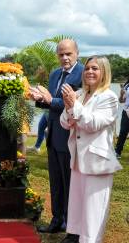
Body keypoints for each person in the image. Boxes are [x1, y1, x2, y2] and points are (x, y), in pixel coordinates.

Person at [59, 56, 122, 243]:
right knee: (79, 210)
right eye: (87, 68)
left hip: (97, 163)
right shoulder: (78, 94)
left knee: (94, 214)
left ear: (104, 72)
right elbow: (64, 121)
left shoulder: (109, 97)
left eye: (95, 68)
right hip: (78, 160)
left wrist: (73, 105)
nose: (90, 72)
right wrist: (71, 107)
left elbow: (93, 123)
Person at [29, 39, 84, 234]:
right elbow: (51, 105)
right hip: (52, 135)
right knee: (56, 182)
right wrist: (40, 99)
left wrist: (51, 99)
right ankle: (56, 219)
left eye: (68, 53)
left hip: (70, 136)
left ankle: (71, 225)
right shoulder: (54, 74)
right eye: (61, 54)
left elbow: (76, 105)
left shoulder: (84, 74)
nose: (65, 58)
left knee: (70, 184)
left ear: (77, 53)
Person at [115, 77, 129, 159]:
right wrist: (121, 93)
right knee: (123, 132)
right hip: (126, 111)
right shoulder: (127, 85)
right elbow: (121, 101)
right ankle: (117, 152)